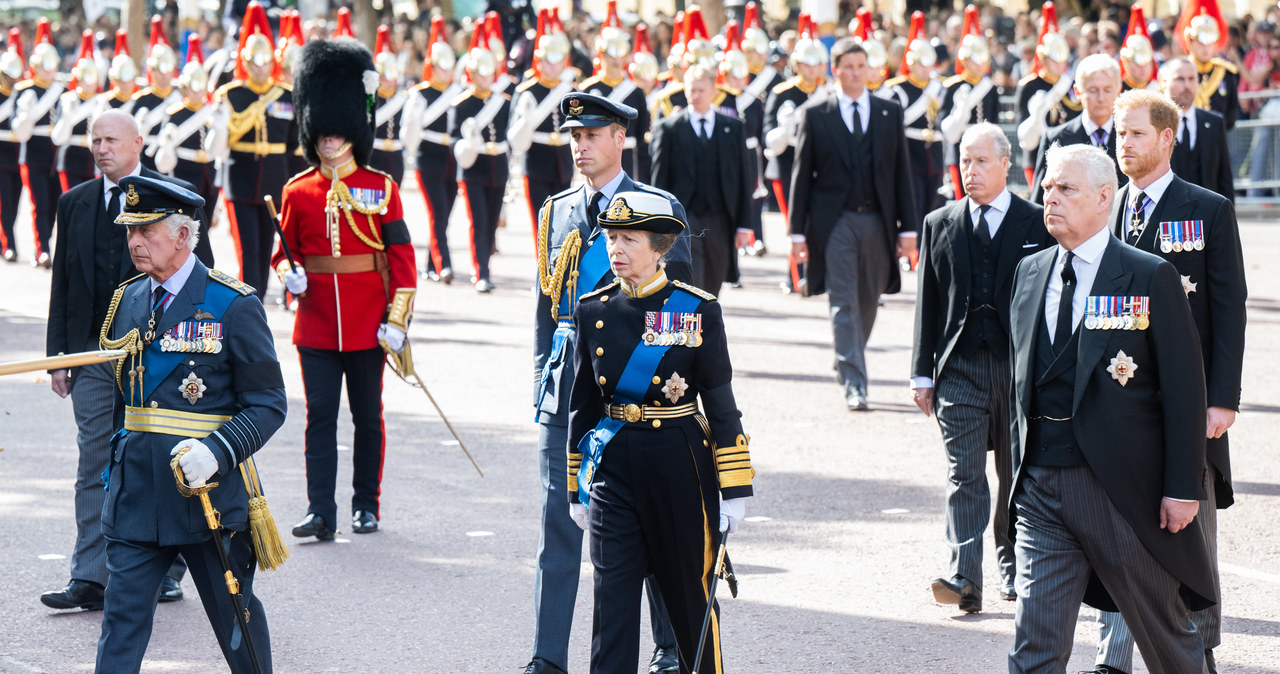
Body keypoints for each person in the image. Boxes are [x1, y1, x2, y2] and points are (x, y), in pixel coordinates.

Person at [1006, 143, 1215, 673]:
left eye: (1066, 188)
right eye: (1048, 187)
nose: (1050, 198)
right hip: (1040, 488)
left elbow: (1185, 390)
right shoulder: (1029, 273)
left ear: (1105, 198)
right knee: (1036, 644)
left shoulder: (1148, 276)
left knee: (1167, 640)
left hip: (1119, 490)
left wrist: (1182, 487)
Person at [528, 92, 692, 674]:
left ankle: (669, 646)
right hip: (567, 384)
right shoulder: (556, 211)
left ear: (620, 138)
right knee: (558, 524)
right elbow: (547, 310)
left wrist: (667, 393)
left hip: (633, 385)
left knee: (646, 520)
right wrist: (541, 382)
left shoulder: (655, 206)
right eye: (574, 136)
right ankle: (548, 656)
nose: (580, 146)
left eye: (592, 134)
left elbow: (680, 310)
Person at [94, 175, 285, 673]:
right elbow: (128, 401)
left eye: (148, 231)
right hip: (137, 490)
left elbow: (268, 404)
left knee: (235, 620)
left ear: (182, 235)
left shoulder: (232, 304)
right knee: (121, 622)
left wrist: (218, 451)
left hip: (207, 495)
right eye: (130, 231)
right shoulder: (130, 299)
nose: (135, 241)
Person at [1089, 88, 1247, 674]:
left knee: (1191, 526)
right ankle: (1113, 656)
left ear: (1165, 138)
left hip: (1188, 397)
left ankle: (1198, 647)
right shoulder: (1103, 207)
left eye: (1134, 134)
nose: (1122, 143)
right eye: (1118, 134)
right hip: (1116, 393)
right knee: (1115, 525)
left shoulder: (1206, 209)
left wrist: (1222, 400)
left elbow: (1229, 308)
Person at [567, 189, 754, 674]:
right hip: (612, 472)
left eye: (629, 238)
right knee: (611, 609)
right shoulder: (592, 309)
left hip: (678, 466)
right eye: (611, 237)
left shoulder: (697, 309)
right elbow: (582, 408)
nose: (616, 248)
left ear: (660, 247)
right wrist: (576, 488)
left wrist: (733, 487)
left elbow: (720, 403)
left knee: (691, 603)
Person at [43, 109, 205, 611]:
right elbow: (63, 284)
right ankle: (89, 577)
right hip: (93, 354)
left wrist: (196, 349)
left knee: (158, 457)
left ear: (139, 142)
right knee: (94, 460)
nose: (100, 148)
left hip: (157, 354)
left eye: (111, 139)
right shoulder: (75, 202)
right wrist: (58, 359)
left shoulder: (171, 196)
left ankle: (167, 571)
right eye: (94, 140)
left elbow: (201, 275)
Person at [274, 37, 417, 539]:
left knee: (367, 418)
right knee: (319, 422)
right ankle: (320, 511)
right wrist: (287, 278)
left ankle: (365, 504)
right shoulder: (297, 190)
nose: (330, 141)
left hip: (366, 323)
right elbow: (283, 252)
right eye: (323, 133)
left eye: (339, 132)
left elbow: (400, 259)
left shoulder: (381, 188)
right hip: (314, 325)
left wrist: (396, 321)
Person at [912, 123, 1052, 615]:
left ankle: (1013, 565)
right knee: (964, 473)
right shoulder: (939, 222)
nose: (970, 171)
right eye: (964, 161)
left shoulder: (1037, 221)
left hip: (1018, 369)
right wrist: (921, 374)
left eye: (980, 161)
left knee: (1014, 473)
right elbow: (927, 303)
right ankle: (965, 575)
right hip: (960, 367)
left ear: (1005, 165)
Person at [788, 38, 916, 412]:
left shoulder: (889, 112)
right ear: (835, 70)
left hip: (878, 220)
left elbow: (901, 176)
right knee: (843, 300)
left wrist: (908, 230)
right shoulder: (815, 113)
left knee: (869, 298)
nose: (856, 73)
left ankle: (848, 354)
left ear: (871, 70)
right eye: (848, 66)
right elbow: (801, 177)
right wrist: (797, 233)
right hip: (835, 223)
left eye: (862, 66)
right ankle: (855, 383)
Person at [207, 2, 299, 301]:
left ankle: (257, 298)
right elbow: (219, 143)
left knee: (268, 246)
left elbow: (294, 147)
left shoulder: (286, 95)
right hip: (241, 178)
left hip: (275, 179)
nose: (260, 66)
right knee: (248, 248)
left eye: (265, 60)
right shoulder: (231, 94)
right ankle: (251, 303)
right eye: (255, 61)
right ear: (245, 61)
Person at [650, 64, 751, 297]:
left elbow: (744, 179)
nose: (695, 96)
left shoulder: (732, 128)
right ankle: (689, 329)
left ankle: (704, 328)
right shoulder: (670, 128)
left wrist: (744, 225)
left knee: (715, 280)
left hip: (720, 219)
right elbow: (659, 180)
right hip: (685, 218)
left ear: (714, 91)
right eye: (691, 90)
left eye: (701, 90)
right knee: (689, 278)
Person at [764, 12, 824, 294]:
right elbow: (769, 138)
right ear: (798, 64)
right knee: (794, 221)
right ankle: (794, 276)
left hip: (819, 167)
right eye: (808, 64)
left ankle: (814, 274)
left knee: (815, 222)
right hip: (787, 166)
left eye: (818, 64)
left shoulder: (827, 92)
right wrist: (787, 127)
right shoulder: (783, 92)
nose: (813, 70)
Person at [449, 28, 511, 294]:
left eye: (489, 72)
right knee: (478, 220)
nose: (485, 77)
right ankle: (481, 271)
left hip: (498, 167)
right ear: (472, 74)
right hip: (473, 167)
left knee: (491, 222)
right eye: (480, 73)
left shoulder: (503, 102)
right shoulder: (461, 104)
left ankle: (485, 266)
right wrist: (467, 143)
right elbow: (453, 140)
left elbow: (509, 135)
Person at [878, 12, 944, 251]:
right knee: (913, 201)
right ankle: (912, 250)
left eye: (928, 64)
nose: (925, 70)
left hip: (933, 150)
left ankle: (928, 248)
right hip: (911, 148)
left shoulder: (939, 85)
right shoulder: (899, 88)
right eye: (920, 64)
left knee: (933, 202)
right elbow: (900, 120)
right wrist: (928, 98)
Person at [402, 16, 460, 284]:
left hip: (451, 158)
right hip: (429, 157)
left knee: (445, 214)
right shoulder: (420, 94)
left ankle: (430, 264)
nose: (447, 72)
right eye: (442, 67)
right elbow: (410, 132)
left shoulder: (458, 92)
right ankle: (444, 264)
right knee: (438, 212)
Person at [510, 10, 575, 245]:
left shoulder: (571, 91)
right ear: (539, 59)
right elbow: (514, 137)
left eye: (558, 59)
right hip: (536, 161)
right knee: (541, 225)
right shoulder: (526, 91)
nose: (554, 65)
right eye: (549, 59)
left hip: (563, 163)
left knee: (564, 226)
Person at [153, 33, 218, 267]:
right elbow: (165, 157)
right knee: (186, 227)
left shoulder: (212, 111)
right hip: (185, 172)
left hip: (208, 173)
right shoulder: (174, 113)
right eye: (194, 85)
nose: (198, 91)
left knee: (205, 225)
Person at [1030, 54, 1125, 204]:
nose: (1101, 98)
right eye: (1093, 90)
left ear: (1118, 90)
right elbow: (1041, 203)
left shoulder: (1130, 137)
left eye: (1107, 90)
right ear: (1077, 92)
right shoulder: (1056, 139)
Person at [11, 18, 64, 268]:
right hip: (33, 152)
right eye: (45, 65)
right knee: (40, 203)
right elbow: (20, 128)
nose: (50, 70)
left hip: (56, 153)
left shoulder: (62, 91)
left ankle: (44, 243)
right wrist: (28, 112)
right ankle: (42, 248)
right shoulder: (25, 90)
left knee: (53, 205)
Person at [579, 15, 652, 184]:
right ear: (601, 54)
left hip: (627, 157)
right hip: (595, 155)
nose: (616, 60)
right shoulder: (588, 89)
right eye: (611, 54)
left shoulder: (635, 92)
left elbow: (641, 132)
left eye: (621, 54)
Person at [1015, 1, 1080, 187]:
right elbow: (1023, 127)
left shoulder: (1070, 84)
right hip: (1038, 156)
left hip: (1067, 155)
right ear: (1043, 58)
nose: (1059, 64)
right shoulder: (1030, 86)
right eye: (1054, 58)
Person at [939, 5, 1000, 201]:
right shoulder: (952, 86)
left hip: (985, 149)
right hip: (959, 147)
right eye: (976, 60)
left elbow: (994, 121)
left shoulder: (989, 88)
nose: (980, 65)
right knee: (961, 198)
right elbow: (944, 122)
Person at [1161, 57, 1234, 199]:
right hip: (1169, 216)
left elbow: (1225, 177)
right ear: (1165, 82)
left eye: (1191, 79)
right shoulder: (1155, 124)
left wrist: (1228, 217)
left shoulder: (1214, 123)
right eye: (1180, 79)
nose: (1187, 85)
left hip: (1208, 214)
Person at [52, 31, 102, 193]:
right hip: (70, 157)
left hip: (93, 160)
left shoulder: (101, 101)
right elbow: (58, 137)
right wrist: (67, 115)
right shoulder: (68, 99)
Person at [132, 16, 183, 172]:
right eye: (159, 70)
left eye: (168, 70)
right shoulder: (141, 99)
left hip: (174, 160)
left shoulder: (179, 99)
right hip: (146, 159)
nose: (164, 75)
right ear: (152, 71)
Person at [1181, 0, 1240, 129]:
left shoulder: (1226, 73)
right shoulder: (1178, 72)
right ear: (1190, 41)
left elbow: (1231, 115)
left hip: (1217, 141)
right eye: (1201, 41)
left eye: (1210, 41)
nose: (1206, 47)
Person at [369, 25, 407, 184]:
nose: (390, 82)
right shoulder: (370, 97)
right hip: (374, 153)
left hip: (396, 154)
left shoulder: (401, 98)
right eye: (385, 77)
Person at [0, 28, 25, 262]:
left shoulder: (21, 93)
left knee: (14, 204)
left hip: (17, 154)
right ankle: (10, 245)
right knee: (4, 203)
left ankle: (4, 240)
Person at [1118, 5, 1159, 92]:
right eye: (1137, 62)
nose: (1143, 68)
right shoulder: (1117, 90)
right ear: (1126, 61)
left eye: (1147, 62)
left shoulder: (1158, 89)